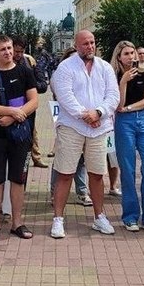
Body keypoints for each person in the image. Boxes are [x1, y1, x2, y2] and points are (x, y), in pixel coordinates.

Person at [50, 30, 120, 239]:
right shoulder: (65, 67)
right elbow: (64, 96)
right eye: (85, 44)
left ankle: (99, 217)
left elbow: (113, 95)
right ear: (77, 45)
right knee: (65, 173)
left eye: (92, 43)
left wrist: (99, 112)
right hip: (72, 127)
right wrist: (85, 114)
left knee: (97, 175)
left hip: (99, 128)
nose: (90, 47)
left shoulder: (105, 67)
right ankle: (58, 220)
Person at [0, 35, 39, 241]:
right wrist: (12, 112)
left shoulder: (25, 71)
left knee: (17, 179)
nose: (8, 52)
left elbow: (34, 101)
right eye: (2, 49)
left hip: (20, 136)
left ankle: (17, 222)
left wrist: (13, 117)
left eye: (9, 48)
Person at [111, 40, 144, 233]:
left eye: (132, 53)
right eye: (126, 53)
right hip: (124, 123)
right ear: (119, 56)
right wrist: (123, 82)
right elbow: (118, 104)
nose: (131, 56)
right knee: (128, 169)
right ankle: (130, 216)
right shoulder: (114, 75)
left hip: (143, 120)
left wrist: (130, 108)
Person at [48, 48, 91, 207]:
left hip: (86, 122)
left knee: (81, 160)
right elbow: (61, 96)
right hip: (67, 121)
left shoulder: (89, 74)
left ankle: (82, 191)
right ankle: (54, 192)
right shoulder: (59, 75)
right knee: (62, 158)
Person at [12, 36, 49, 168]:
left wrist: (29, 86)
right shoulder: (5, 62)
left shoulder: (29, 62)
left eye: (21, 51)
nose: (18, 55)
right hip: (9, 109)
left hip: (28, 107)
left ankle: (33, 159)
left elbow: (43, 85)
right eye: (16, 51)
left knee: (30, 134)